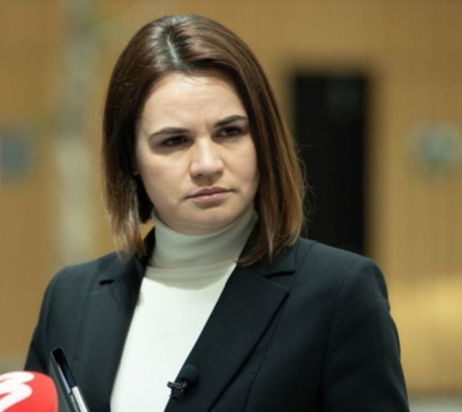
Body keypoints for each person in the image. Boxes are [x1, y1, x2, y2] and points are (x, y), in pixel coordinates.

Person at [25, 14, 409, 412]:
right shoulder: (71, 298)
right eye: (174, 141)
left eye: (230, 132)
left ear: (262, 139)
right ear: (131, 158)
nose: (207, 164)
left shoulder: (338, 293)